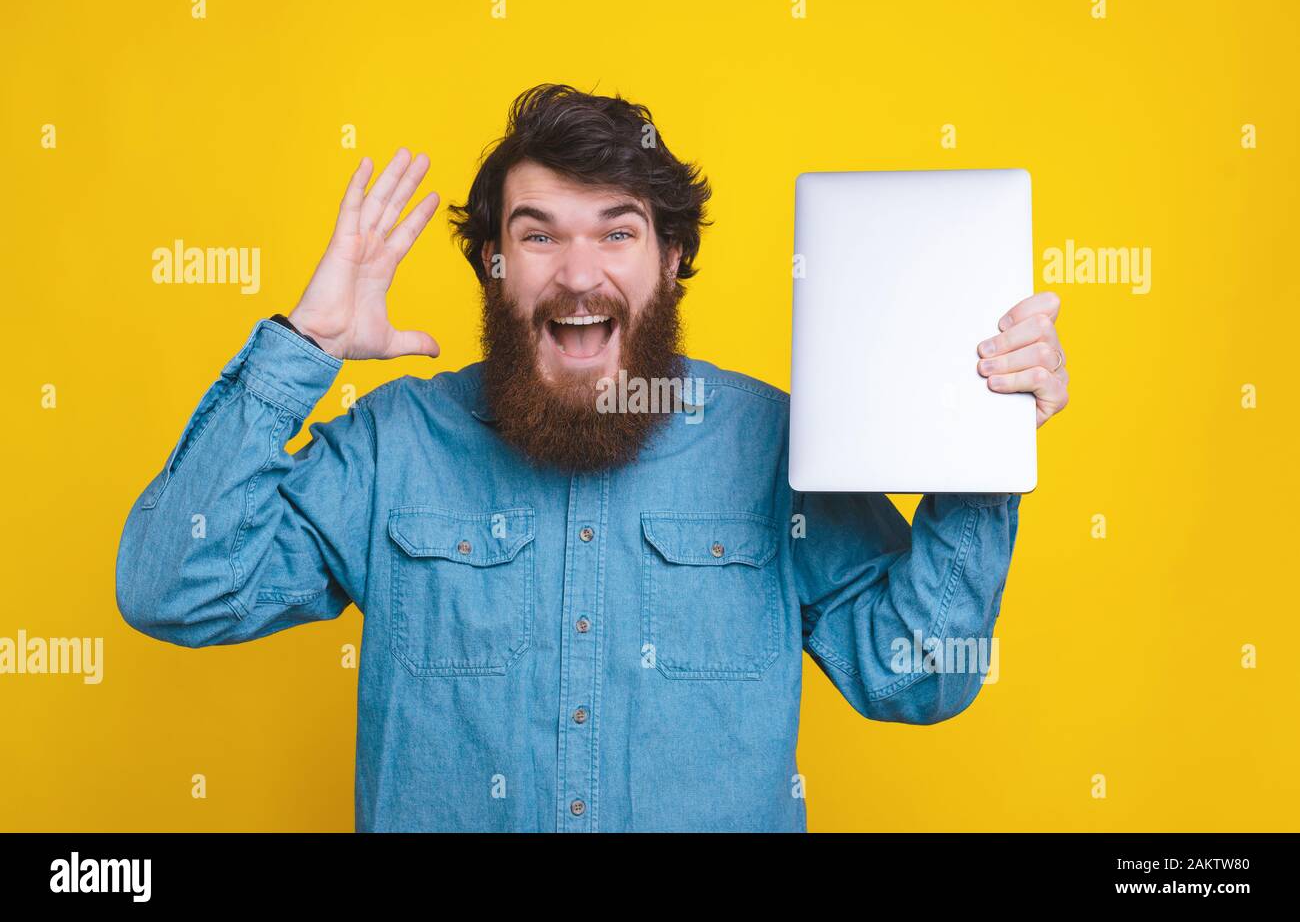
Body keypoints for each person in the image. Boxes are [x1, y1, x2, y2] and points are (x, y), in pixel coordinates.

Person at [115, 83, 1070, 832]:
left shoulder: (773, 443)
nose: (579, 272)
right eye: (537, 236)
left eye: (617, 231)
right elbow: (174, 585)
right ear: (493, 264)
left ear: (672, 260)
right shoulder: (393, 445)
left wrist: (981, 448)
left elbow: (916, 673)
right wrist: (304, 345)